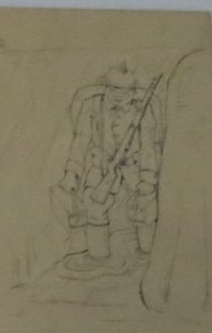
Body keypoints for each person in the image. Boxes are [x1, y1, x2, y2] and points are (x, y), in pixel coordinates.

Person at [56, 64, 164, 264]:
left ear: (132, 92)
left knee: (146, 207)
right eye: (114, 89)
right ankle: (97, 257)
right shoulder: (92, 106)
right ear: (106, 88)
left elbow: (148, 146)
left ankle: (149, 256)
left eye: (125, 91)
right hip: (101, 166)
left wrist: (147, 180)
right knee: (95, 208)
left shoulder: (143, 109)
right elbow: (81, 140)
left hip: (135, 166)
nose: (118, 95)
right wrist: (72, 172)